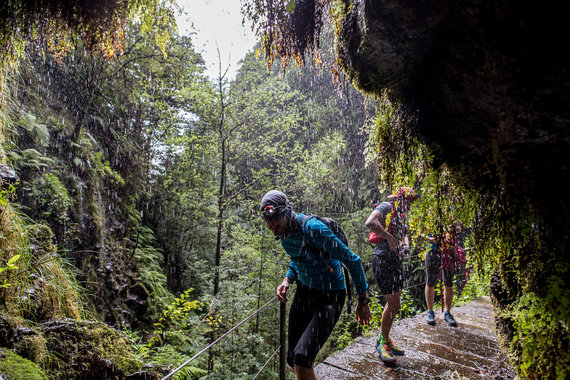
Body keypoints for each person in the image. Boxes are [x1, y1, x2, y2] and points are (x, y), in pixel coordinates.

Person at [261, 190, 371, 380]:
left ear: (287, 212)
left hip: (330, 296)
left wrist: (363, 299)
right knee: (292, 357)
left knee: (302, 357)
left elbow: (353, 261)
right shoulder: (285, 234)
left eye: (276, 217)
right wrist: (287, 279)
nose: (272, 224)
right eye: (268, 220)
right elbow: (298, 258)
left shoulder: (313, 228)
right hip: (305, 292)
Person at [365, 186, 418, 364]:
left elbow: (403, 236)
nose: (410, 205)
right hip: (382, 258)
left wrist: (405, 246)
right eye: (408, 201)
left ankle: (384, 339)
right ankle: (382, 343)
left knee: (396, 304)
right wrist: (389, 238)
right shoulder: (386, 207)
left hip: (394, 260)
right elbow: (370, 223)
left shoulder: (401, 216)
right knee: (393, 302)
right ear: (399, 199)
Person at [423, 221, 464, 327]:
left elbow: (460, 228)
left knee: (448, 282)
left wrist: (453, 229)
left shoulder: (451, 213)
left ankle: (447, 312)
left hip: (448, 251)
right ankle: (430, 312)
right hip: (432, 250)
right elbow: (421, 232)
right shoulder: (428, 210)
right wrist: (431, 239)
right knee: (430, 281)